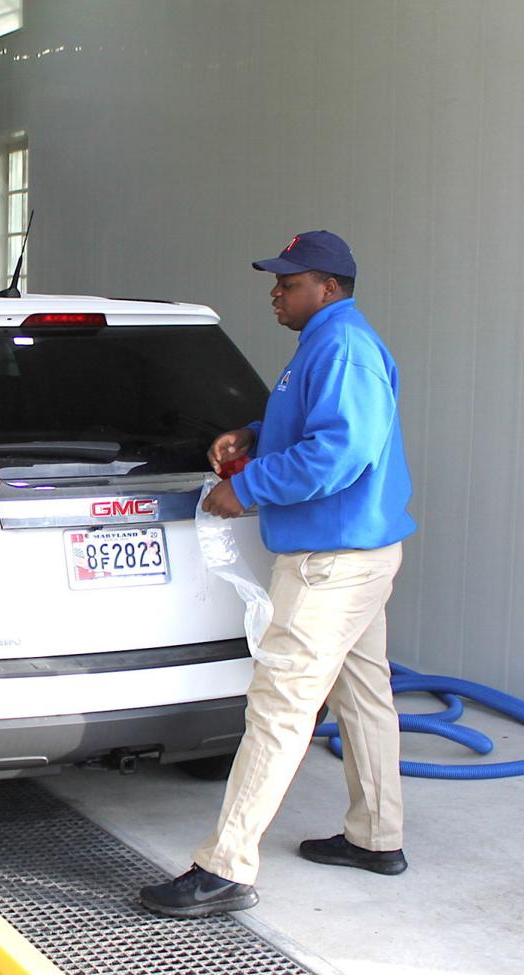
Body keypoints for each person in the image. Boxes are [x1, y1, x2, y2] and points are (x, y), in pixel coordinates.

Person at [140, 230, 416, 917]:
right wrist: (258, 433)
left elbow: (341, 451)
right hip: (357, 552)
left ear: (328, 287)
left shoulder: (342, 345)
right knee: (363, 696)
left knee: (279, 704)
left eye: (289, 282)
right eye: (277, 280)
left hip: (332, 563)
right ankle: (376, 836)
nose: (276, 292)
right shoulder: (324, 343)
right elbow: (319, 426)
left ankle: (225, 866)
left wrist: (250, 484)